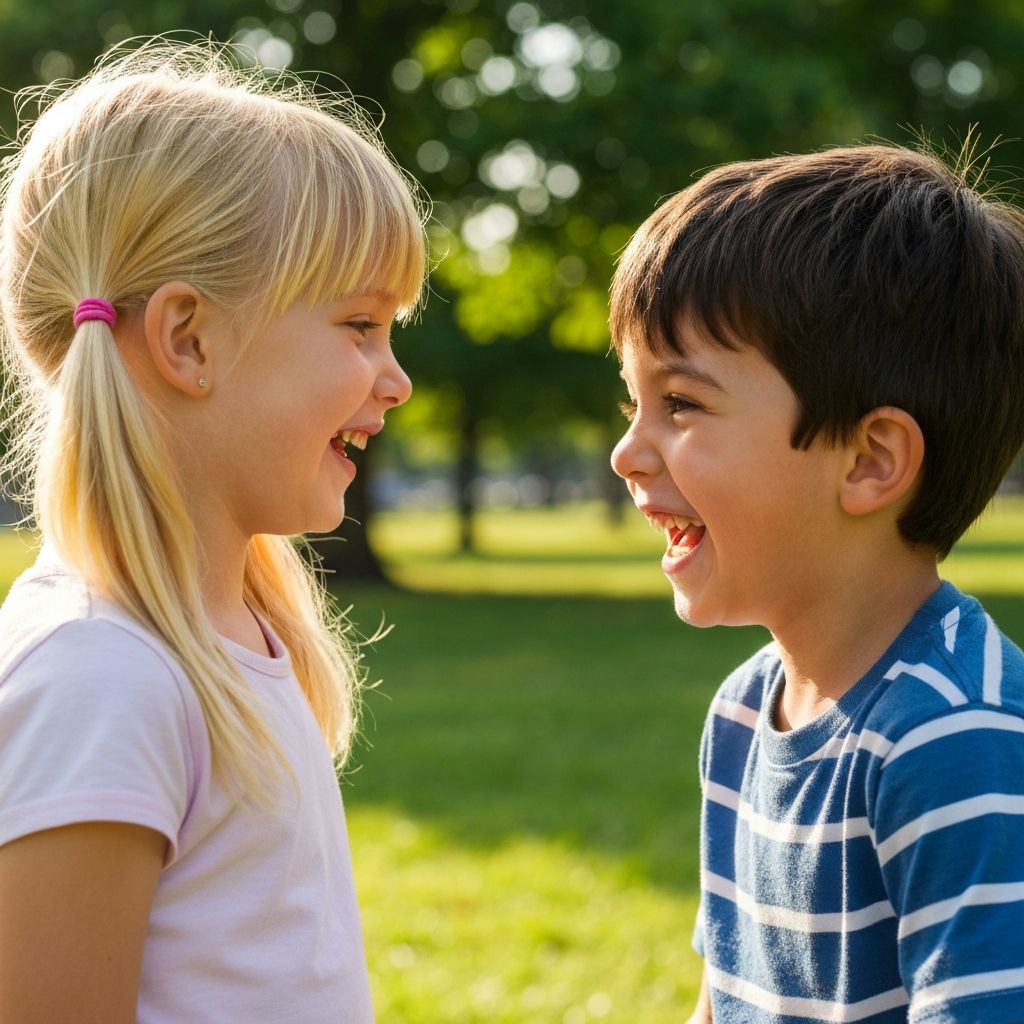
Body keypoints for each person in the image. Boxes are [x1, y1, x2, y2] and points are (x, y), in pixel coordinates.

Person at [0, 37, 425, 1024]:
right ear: (189, 339)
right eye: (360, 326)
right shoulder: (100, 677)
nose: (396, 380)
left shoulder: (217, 639)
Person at [609, 144, 1024, 1022]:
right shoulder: (742, 710)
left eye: (681, 403)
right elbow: (721, 999)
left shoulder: (956, 740)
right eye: (631, 403)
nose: (628, 452)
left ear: (870, 462)